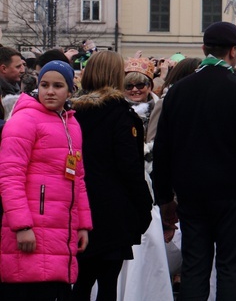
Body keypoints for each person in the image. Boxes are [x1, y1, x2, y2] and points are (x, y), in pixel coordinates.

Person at [152, 22, 236, 300]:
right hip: (233, 196)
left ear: (204, 49)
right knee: (232, 270)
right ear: (234, 51)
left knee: (194, 269)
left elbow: (163, 149)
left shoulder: (178, 91)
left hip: (192, 196)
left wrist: (164, 198)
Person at [0, 60, 92, 300]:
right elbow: (10, 176)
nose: (50, 91)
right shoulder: (24, 121)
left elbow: (77, 179)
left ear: (70, 90)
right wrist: (22, 226)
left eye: (58, 85)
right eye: (45, 85)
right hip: (31, 229)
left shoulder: (71, 124)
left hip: (60, 231)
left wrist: (82, 224)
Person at [70, 51, 153, 301]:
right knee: (107, 283)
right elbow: (130, 168)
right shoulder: (120, 115)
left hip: (78, 205)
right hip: (113, 209)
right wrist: (144, 205)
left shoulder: (73, 113)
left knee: (82, 281)